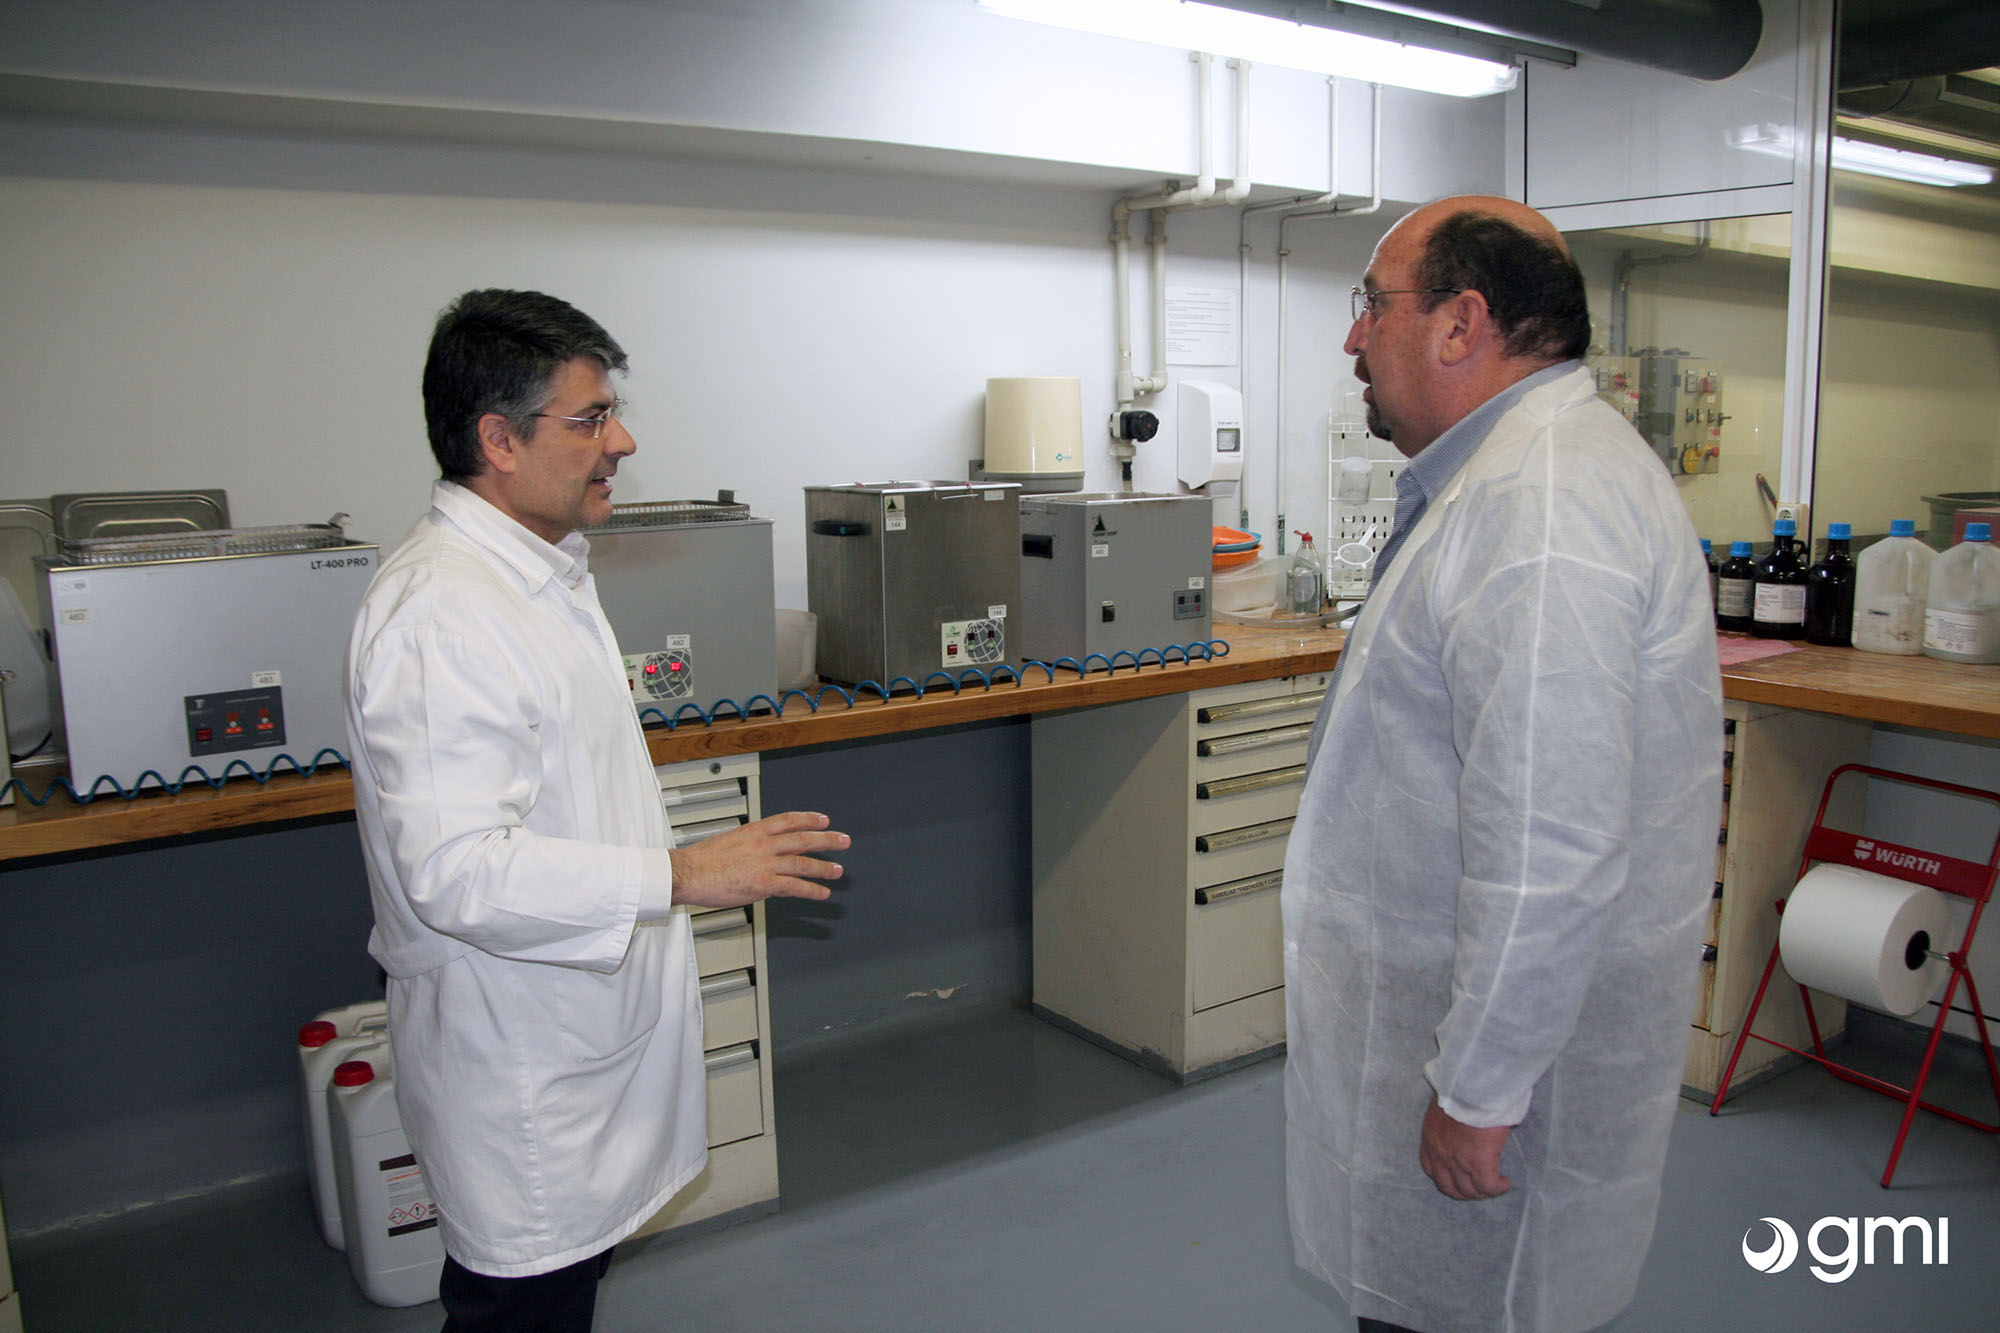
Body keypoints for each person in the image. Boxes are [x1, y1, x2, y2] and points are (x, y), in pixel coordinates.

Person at [345, 288, 850, 1331]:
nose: (621, 442)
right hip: (522, 1072)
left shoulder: (539, 574)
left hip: (570, 1042)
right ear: (499, 440)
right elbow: (457, 872)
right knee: (520, 1307)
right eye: (590, 419)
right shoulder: (442, 612)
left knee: (558, 1296)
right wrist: (684, 872)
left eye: (612, 413)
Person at [1281, 198, 1722, 1333]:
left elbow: (1550, 839)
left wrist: (1478, 1089)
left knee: (1473, 1310)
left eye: (1371, 304)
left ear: (1459, 323)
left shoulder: (1540, 505)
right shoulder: (1516, 475)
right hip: (1461, 1021)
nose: (1353, 338)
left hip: (1498, 1074)